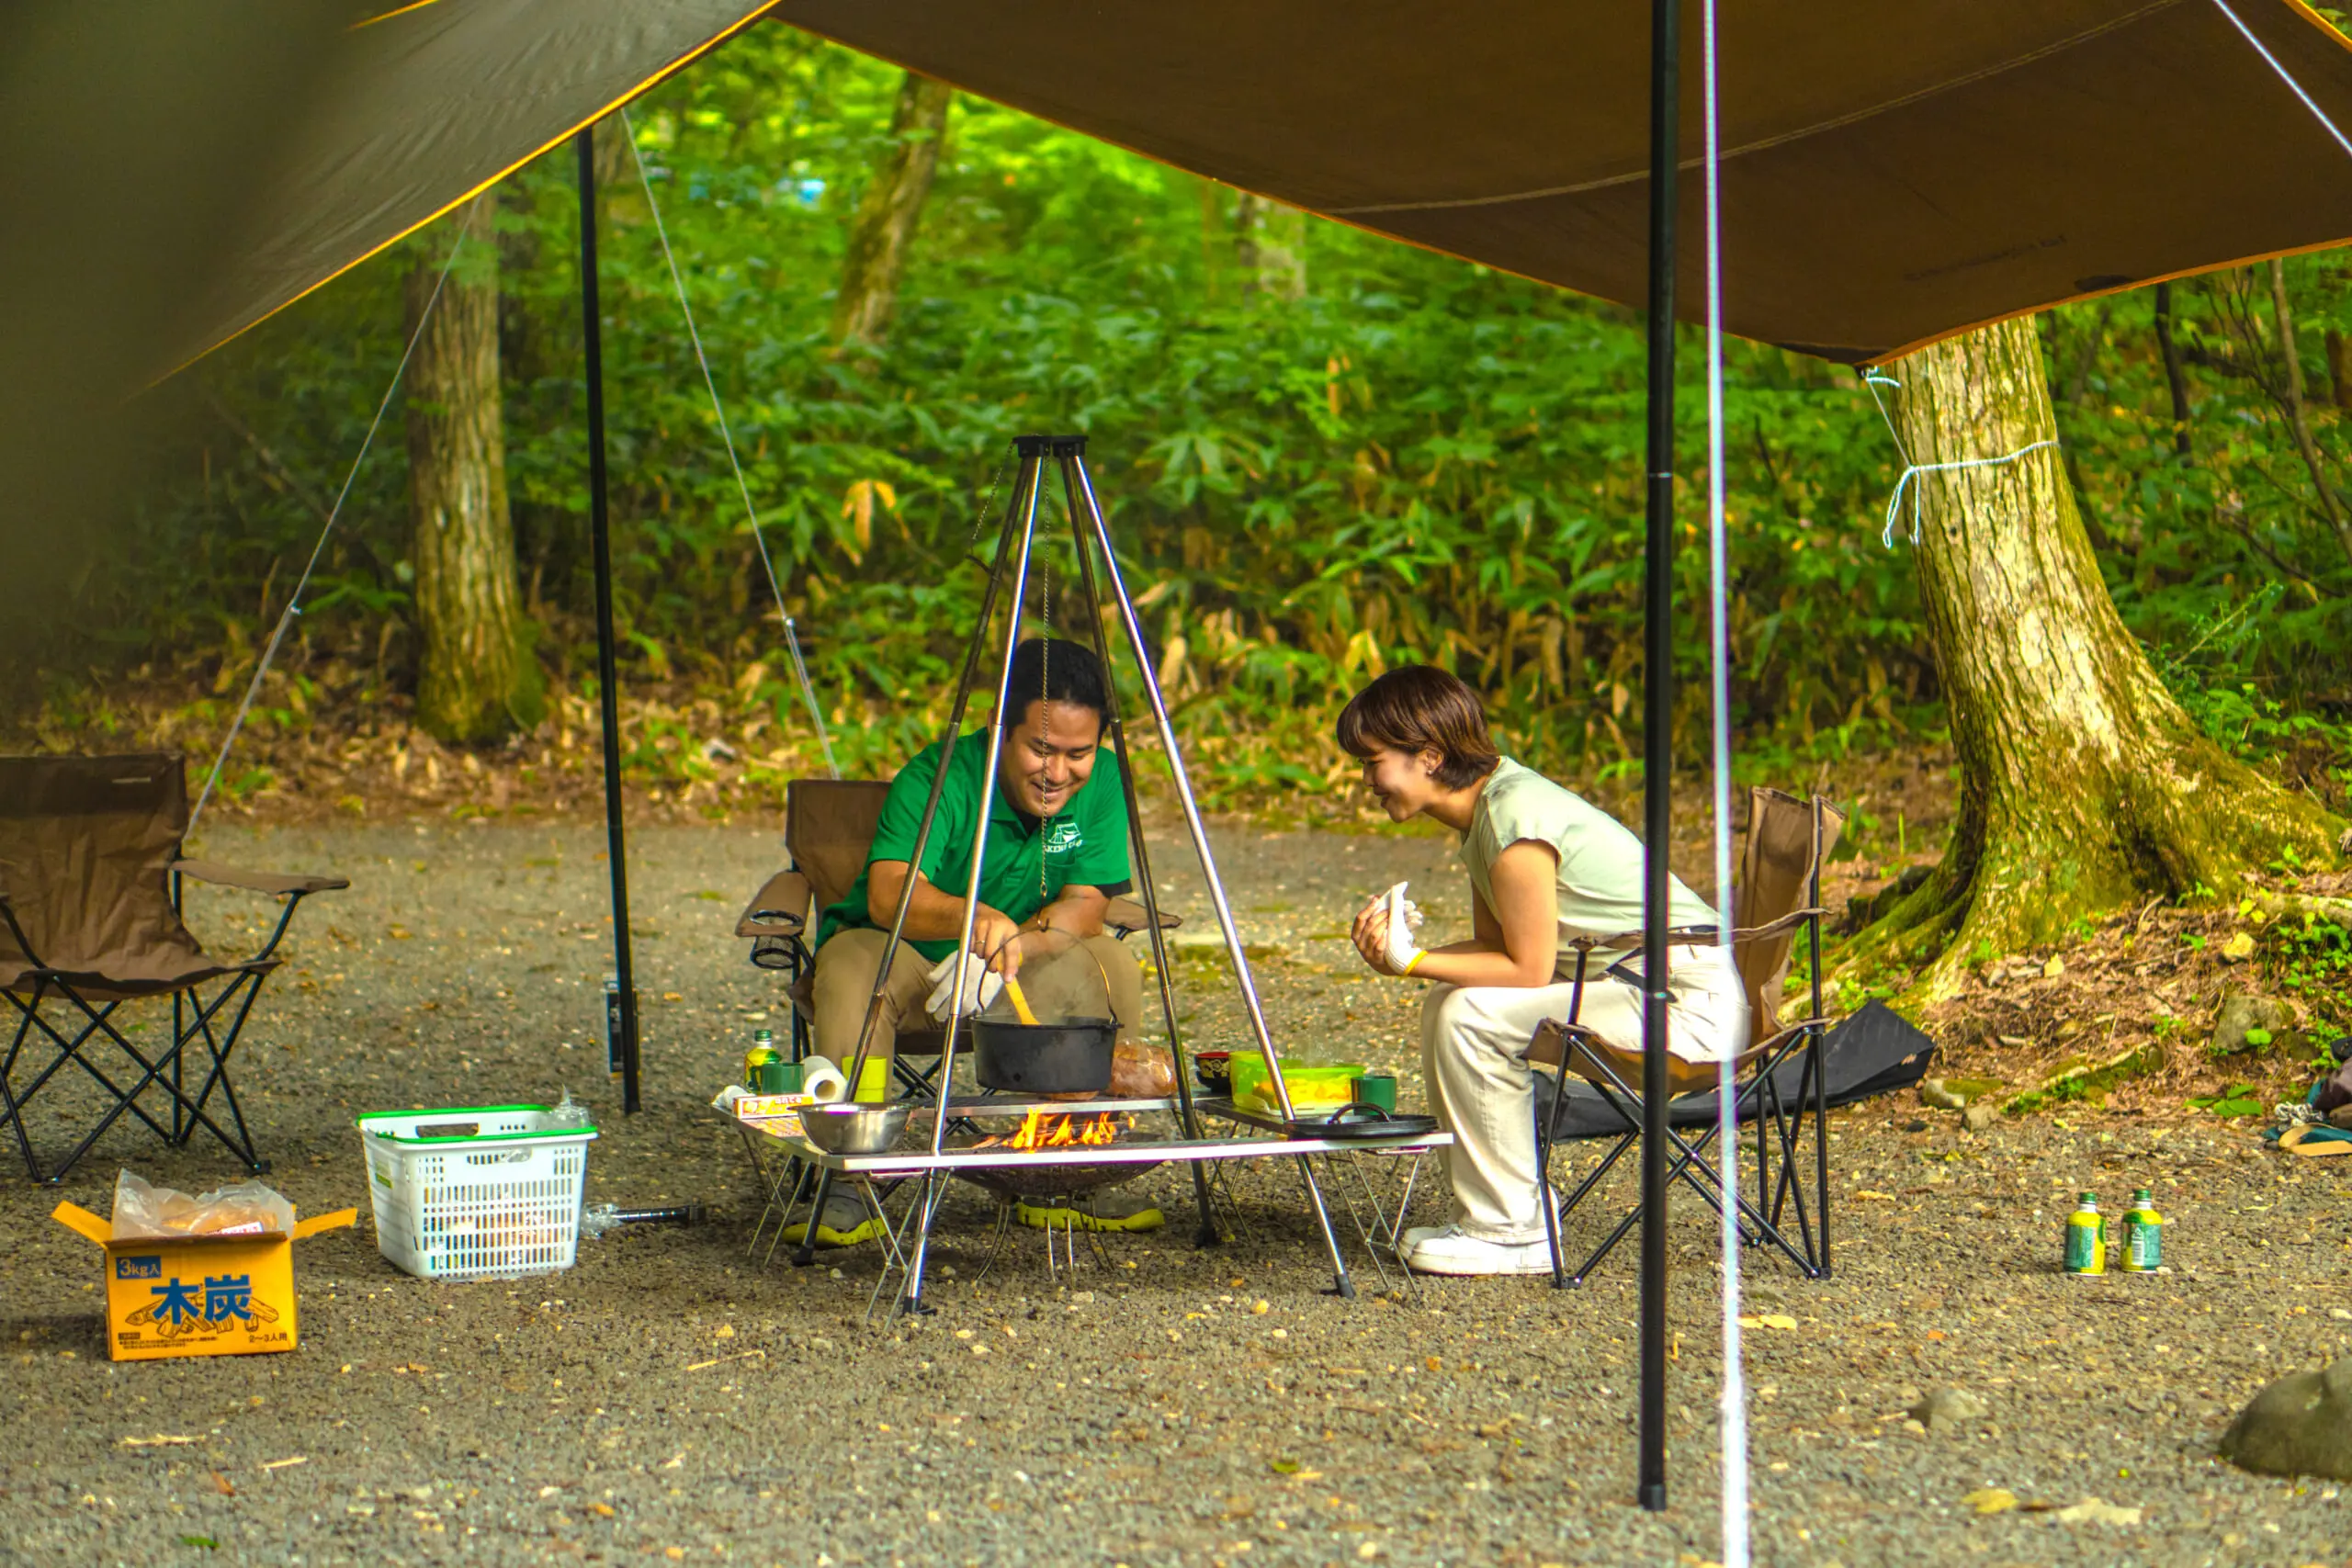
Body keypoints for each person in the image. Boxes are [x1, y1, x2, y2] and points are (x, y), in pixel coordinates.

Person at [1336, 665, 1747, 1276]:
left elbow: (1528, 970)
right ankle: (1502, 1217)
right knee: (1454, 998)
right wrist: (1404, 949)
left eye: (1372, 762)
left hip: (1686, 1005)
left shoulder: (1512, 815)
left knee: (1466, 1014)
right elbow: (1493, 949)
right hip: (1645, 986)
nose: (1366, 780)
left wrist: (1414, 963)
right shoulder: (1489, 812)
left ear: (1428, 755)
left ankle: (1513, 1230)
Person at [790, 636, 1160, 1246]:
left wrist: (1015, 943)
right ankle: (853, 1174)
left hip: (1013, 971)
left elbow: (1087, 904)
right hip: (906, 954)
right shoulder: (942, 776)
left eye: (1078, 753)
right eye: (1041, 749)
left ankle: (1069, 1166)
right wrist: (973, 920)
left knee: (1111, 962)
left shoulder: (1104, 782)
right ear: (998, 729)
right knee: (855, 967)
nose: (1058, 772)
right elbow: (889, 891)